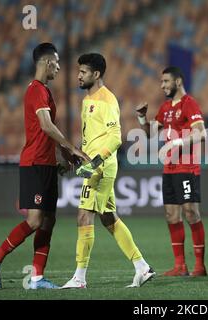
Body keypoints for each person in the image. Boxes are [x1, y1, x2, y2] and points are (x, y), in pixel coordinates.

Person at [0, 42, 89, 289]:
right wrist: (71, 148)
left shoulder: (46, 92)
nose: (60, 68)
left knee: (49, 220)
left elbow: (50, 133)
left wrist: (63, 155)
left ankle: (37, 278)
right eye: (58, 62)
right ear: (47, 62)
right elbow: (46, 126)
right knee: (34, 220)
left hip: (47, 164)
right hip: (34, 164)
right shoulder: (35, 90)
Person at [61, 53, 155, 289]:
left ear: (96, 74)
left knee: (84, 215)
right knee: (109, 218)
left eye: (83, 72)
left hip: (99, 167)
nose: (79, 76)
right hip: (94, 164)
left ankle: (79, 278)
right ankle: (142, 267)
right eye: (79, 71)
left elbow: (115, 138)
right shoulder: (88, 99)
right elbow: (93, 136)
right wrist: (78, 157)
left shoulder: (107, 100)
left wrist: (93, 163)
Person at [135, 66, 208, 276]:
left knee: (191, 213)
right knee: (171, 214)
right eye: (161, 82)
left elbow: (201, 134)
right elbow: (150, 133)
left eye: (166, 81)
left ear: (178, 82)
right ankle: (180, 266)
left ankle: (199, 266)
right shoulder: (166, 107)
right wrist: (142, 118)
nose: (162, 85)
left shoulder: (189, 104)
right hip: (169, 169)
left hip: (187, 168)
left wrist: (175, 143)